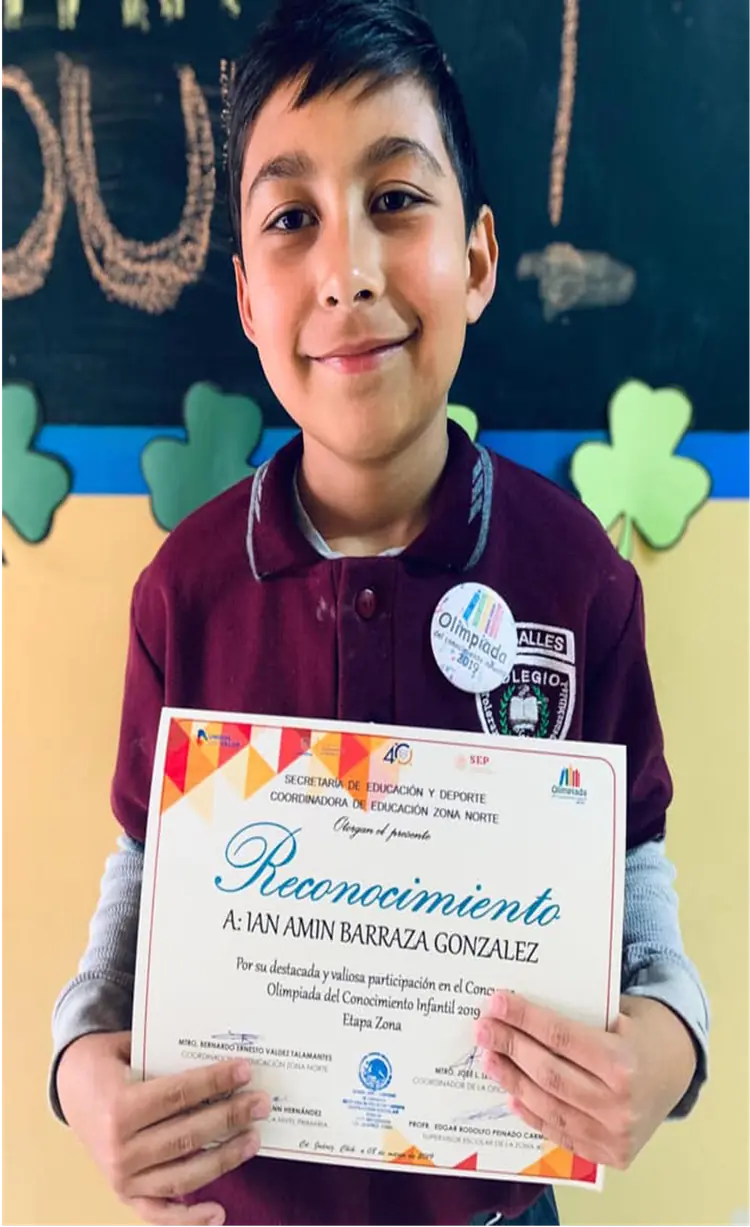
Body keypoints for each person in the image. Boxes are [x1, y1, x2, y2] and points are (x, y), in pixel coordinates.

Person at [51, 2, 709, 1225]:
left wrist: (668, 1048)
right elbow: (139, 888)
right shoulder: (185, 592)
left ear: (480, 258)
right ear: (247, 300)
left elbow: (636, 886)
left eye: (397, 199)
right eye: (291, 218)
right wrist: (81, 1065)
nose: (346, 270)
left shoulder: (578, 577)